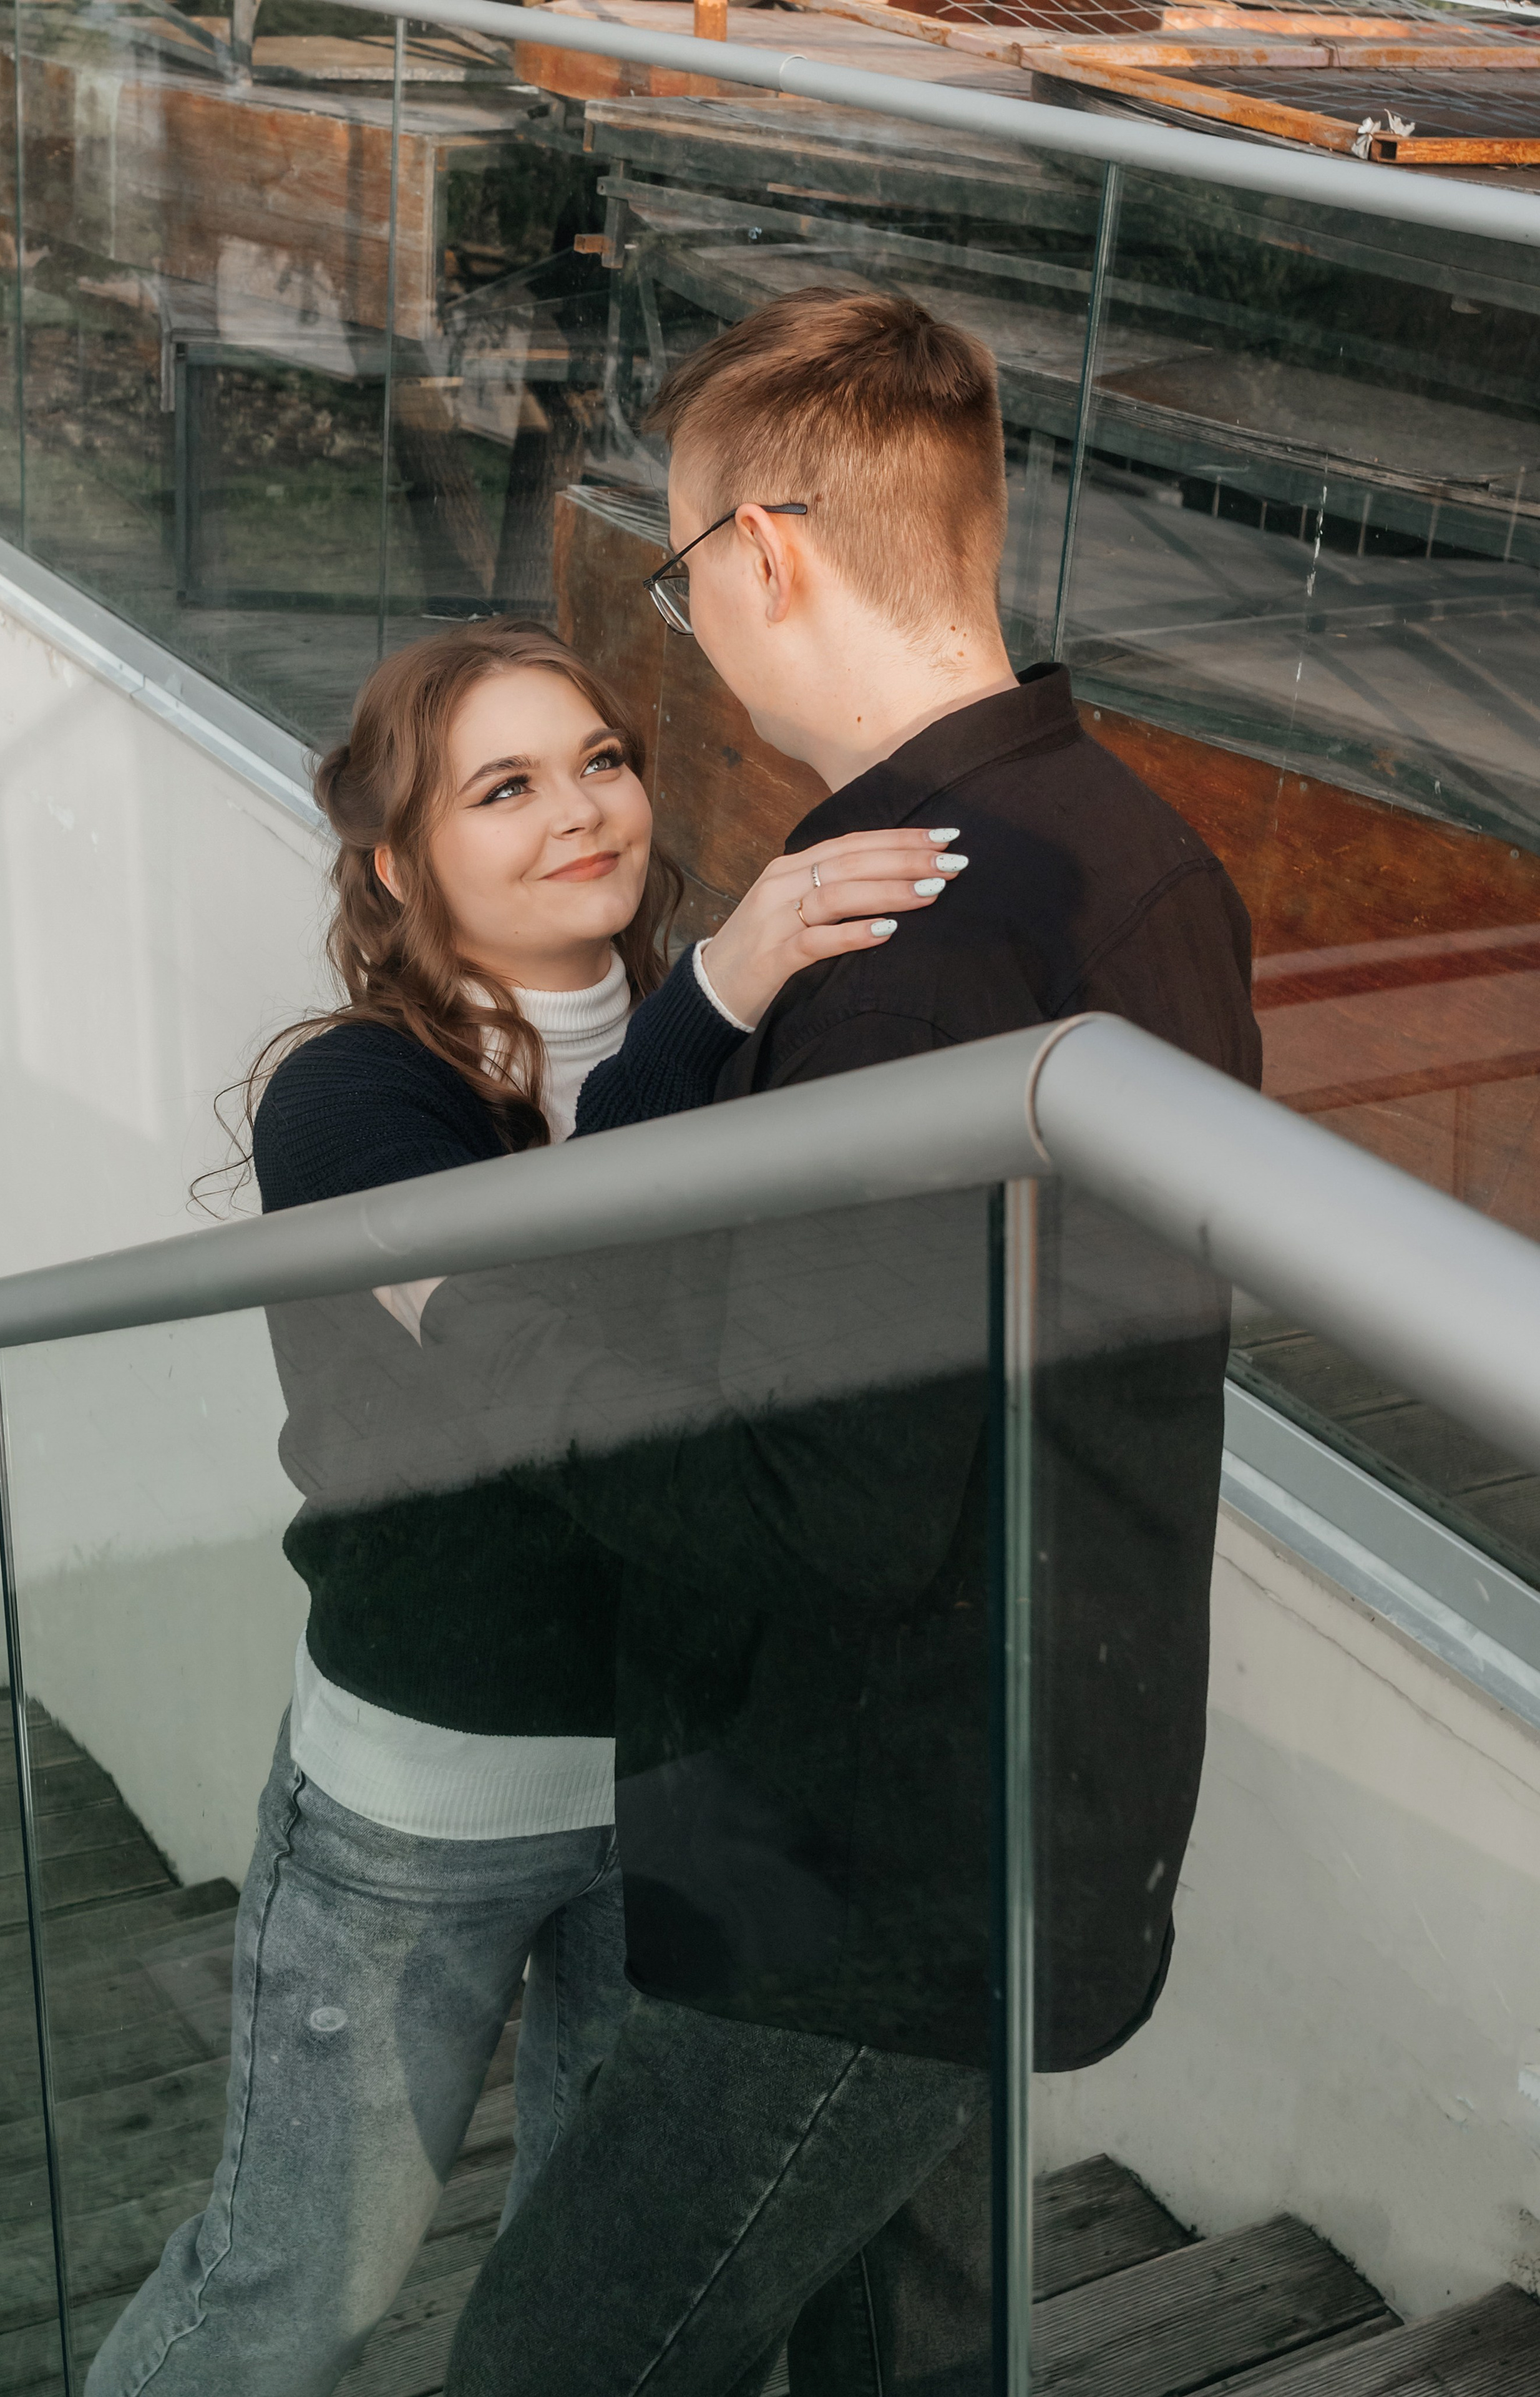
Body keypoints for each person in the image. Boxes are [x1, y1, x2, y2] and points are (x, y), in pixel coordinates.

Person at [443, 293, 1263, 2395]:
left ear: (774, 554)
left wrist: (510, 1367)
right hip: (1013, 1806)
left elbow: (823, 1514)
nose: (691, 619)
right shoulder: (1133, 847)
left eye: (686, 569)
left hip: (851, 1895)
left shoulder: (906, 949)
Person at [85, 617, 966, 2397]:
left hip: (687, 1792)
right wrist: (719, 995)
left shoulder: (737, 1041)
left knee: (608, 2304)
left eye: (603, 760)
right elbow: (519, 1312)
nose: (583, 808)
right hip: (423, 1813)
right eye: (506, 785)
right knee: (293, 2294)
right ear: (402, 862)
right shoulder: (351, 1092)